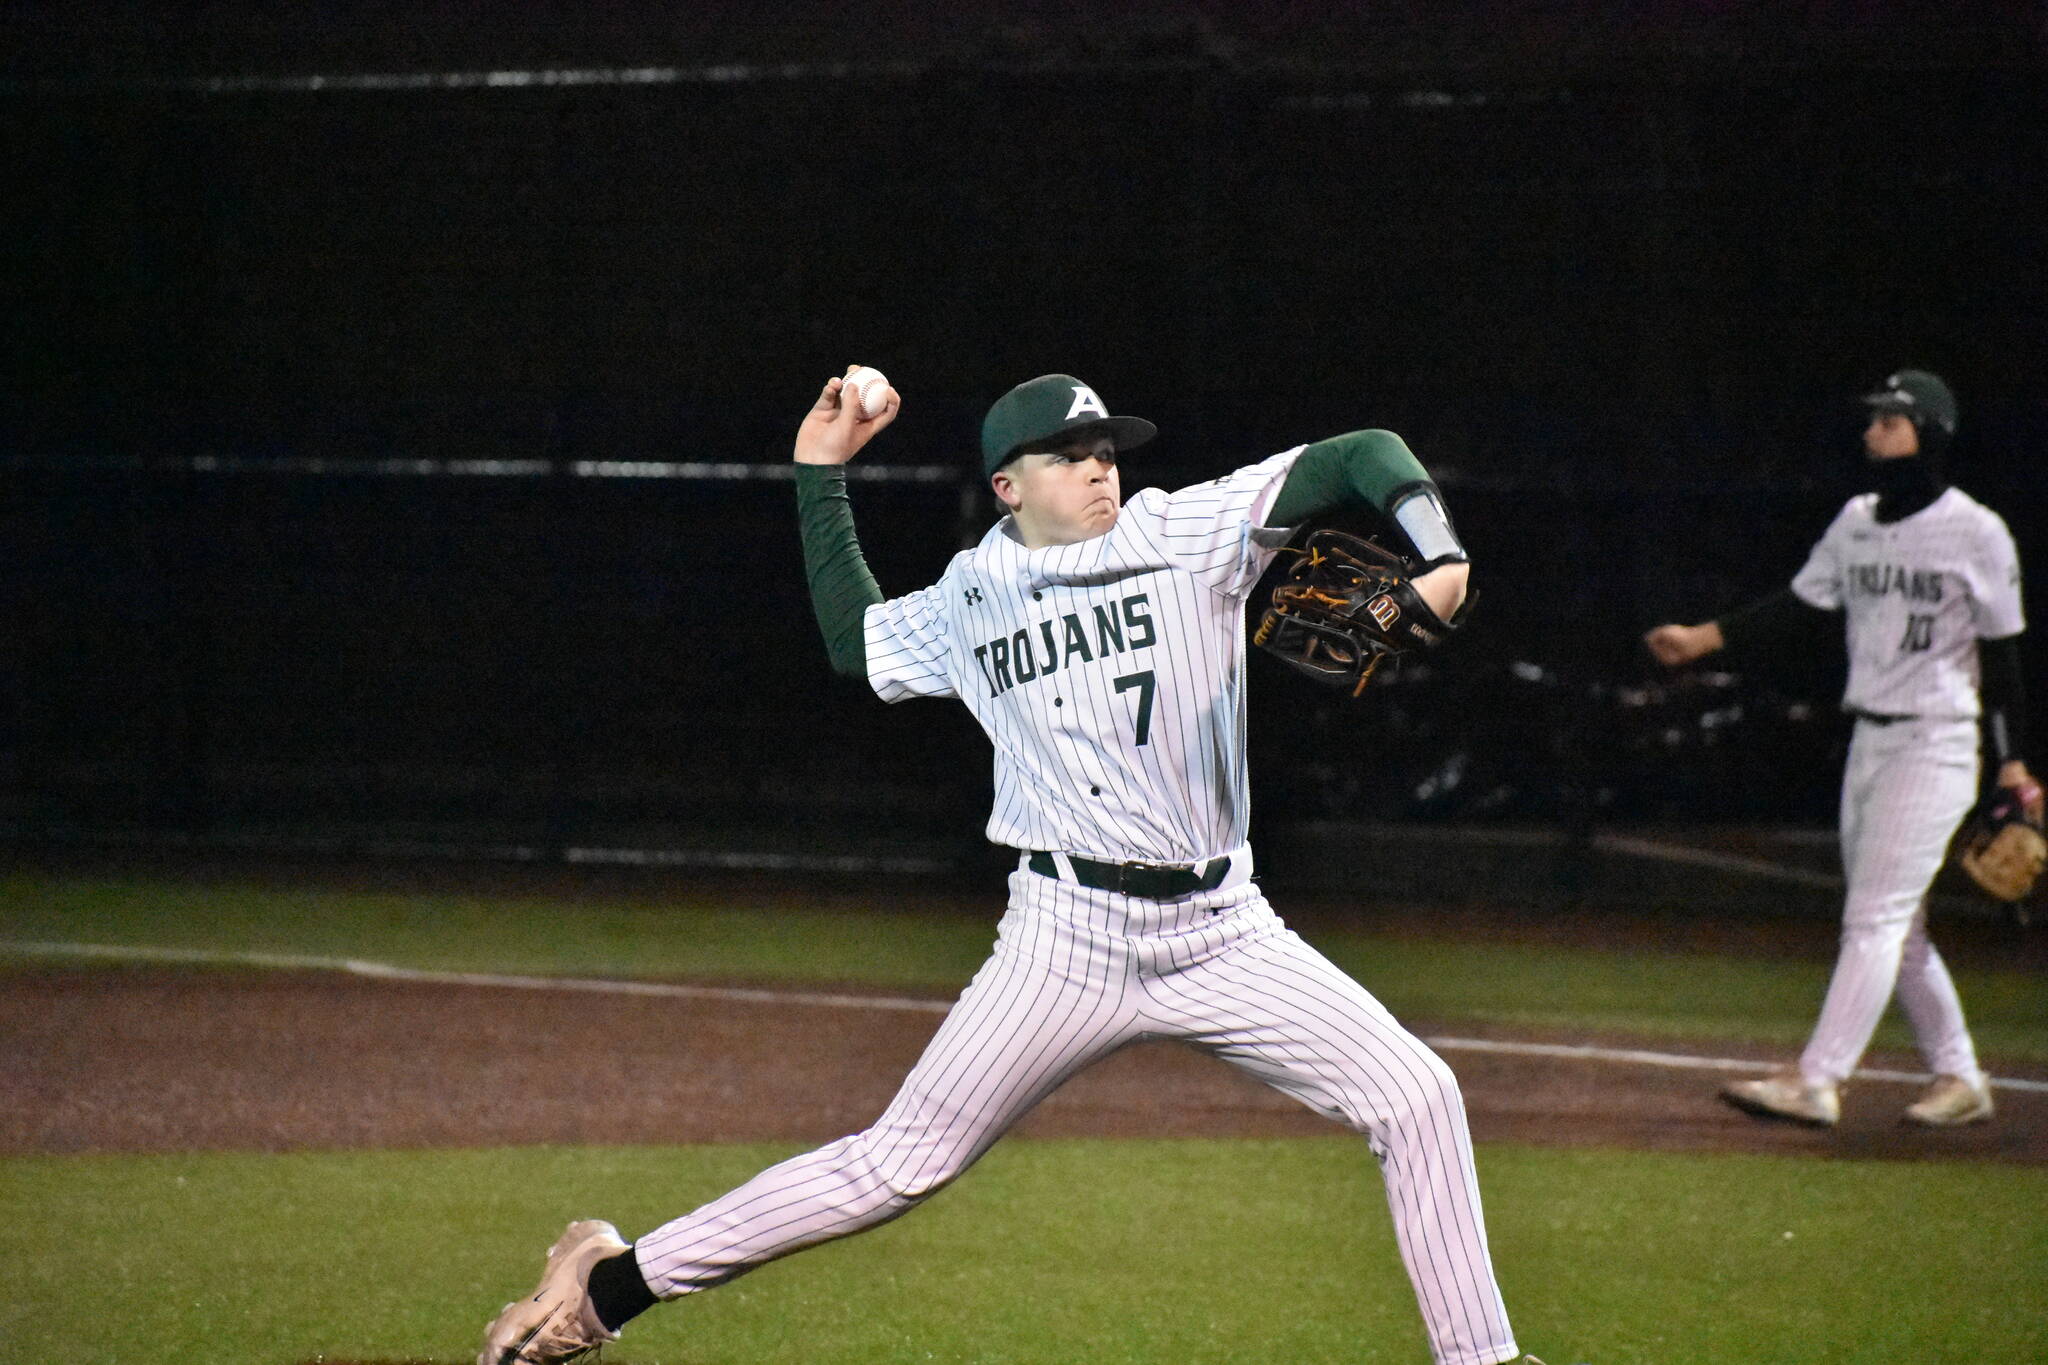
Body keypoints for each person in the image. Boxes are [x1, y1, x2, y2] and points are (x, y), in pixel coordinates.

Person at [478, 370, 1532, 1365]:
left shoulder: (1186, 530)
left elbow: (1361, 452)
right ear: (1005, 486)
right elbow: (856, 643)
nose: (1098, 467)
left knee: (1417, 1096)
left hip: (1224, 930)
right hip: (1063, 941)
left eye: (1105, 449)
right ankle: (604, 1289)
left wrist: (1438, 555)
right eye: (1067, 453)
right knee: (896, 1167)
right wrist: (818, 471)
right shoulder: (972, 591)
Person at [1644, 368, 2035, 1129]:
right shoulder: (1856, 518)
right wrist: (1704, 637)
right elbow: (1799, 604)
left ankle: (1818, 1079)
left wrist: (2013, 761)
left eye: (1891, 419)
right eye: (1874, 419)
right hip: (1871, 740)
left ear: (1931, 431)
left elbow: (2006, 655)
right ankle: (1960, 1074)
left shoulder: (1977, 529)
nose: (1873, 432)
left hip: (1937, 741)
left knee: (1875, 917)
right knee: (1900, 922)